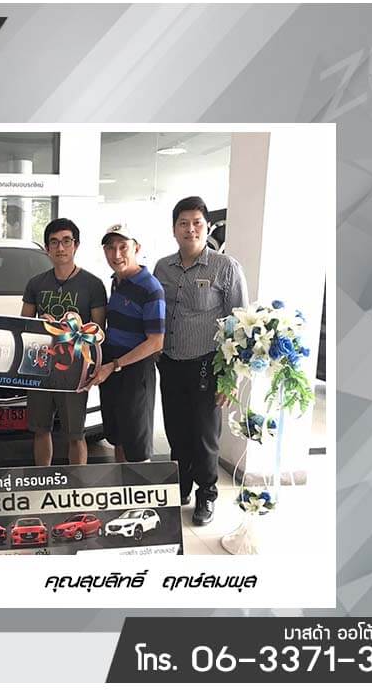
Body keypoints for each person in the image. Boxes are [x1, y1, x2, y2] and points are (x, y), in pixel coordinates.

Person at [153, 196, 248, 526]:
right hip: (170, 362)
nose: (190, 229)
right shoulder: (162, 267)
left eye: (196, 223)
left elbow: (239, 325)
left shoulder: (226, 268)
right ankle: (180, 487)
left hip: (207, 365)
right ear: (174, 229)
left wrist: (229, 378)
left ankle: (206, 494)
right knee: (176, 430)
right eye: (183, 223)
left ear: (207, 227)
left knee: (205, 436)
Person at [21, 218, 107, 466]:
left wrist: (76, 327)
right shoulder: (36, 283)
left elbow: (99, 333)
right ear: (47, 248)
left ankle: (77, 486)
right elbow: (23, 326)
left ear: (76, 245)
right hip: (40, 367)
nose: (60, 248)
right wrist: (41, 324)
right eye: (54, 242)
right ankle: (43, 480)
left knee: (76, 435)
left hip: (74, 371)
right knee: (40, 430)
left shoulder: (93, 284)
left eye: (66, 241)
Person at [86, 224, 165, 463]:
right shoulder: (116, 281)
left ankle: (137, 487)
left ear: (136, 248)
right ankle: (121, 484)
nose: (116, 254)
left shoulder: (151, 288)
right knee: (117, 437)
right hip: (112, 367)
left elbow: (156, 342)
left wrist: (114, 365)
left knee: (136, 444)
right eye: (110, 248)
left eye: (123, 247)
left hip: (134, 371)